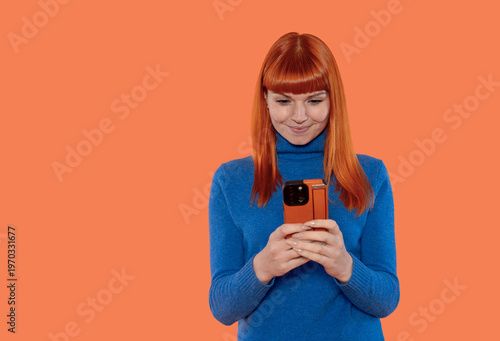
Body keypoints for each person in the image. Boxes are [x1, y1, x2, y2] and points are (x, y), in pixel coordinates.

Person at [208, 32, 399, 340]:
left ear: (333, 99)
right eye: (284, 101)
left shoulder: (370, 174)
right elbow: (222, 308)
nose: (299, 117)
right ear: (265, 99)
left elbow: (387, 299)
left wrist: (345, 266)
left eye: (314, 100)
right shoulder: (231, 180)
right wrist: (262, 267)